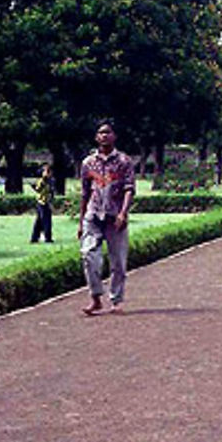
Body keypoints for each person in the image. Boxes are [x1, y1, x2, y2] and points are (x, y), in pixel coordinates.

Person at [78, 120, 135, 315]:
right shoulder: (88, 163)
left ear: (114, 136)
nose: (104, 136)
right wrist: (80, 221)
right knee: (88, 256)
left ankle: (116, 300)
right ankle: (95, 298)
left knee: (118, 261)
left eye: (108, 132)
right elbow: (84, 193)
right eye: (101, 133)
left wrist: (123, 213)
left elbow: (129, 189)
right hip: (93, 215)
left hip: (114, 216)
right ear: (96, 137)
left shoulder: (124, 161)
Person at [30, 163, 56, 243]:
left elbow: (51, 192)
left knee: (39, 221)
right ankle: (47, 238)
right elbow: (38, 189)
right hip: (42, 203)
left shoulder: (51, 181)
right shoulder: (42, 181)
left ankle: (35, 238)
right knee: (46, 221)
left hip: (46, 202)